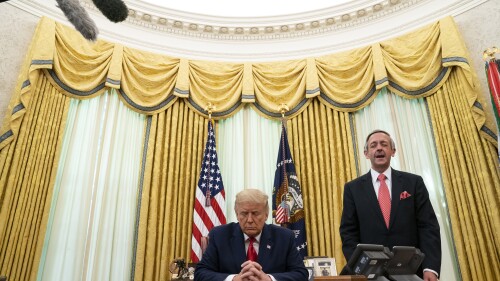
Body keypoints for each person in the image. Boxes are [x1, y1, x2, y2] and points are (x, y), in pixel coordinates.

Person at [339, 130, 441, 281]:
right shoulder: (352, 189)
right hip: (371, 274)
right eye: (373, 145)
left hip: (412, 271)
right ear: (366, 154)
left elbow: (428, 227)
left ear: (393, 151)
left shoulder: (414, 183)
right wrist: (360, 267)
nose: (379, 148)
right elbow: (348, 232)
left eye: (384, 144)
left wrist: (430, 267)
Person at [195, 188, 308, 281]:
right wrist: (233, 279)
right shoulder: (219, 235)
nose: (249, 220)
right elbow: (201, 273)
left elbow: (301, 274)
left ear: (266, 214)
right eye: (244, 213)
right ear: (236, 214)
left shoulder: (284, 237)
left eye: (255, 213)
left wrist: (269, 279)